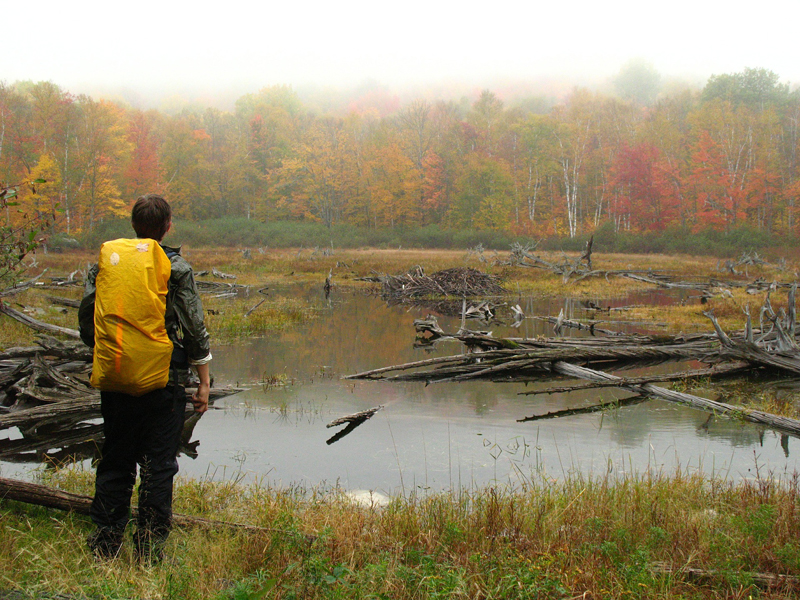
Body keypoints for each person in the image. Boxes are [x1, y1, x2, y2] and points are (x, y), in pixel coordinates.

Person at [78, 194, 212, 561]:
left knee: (117, 457)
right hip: (163, 380)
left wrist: (110, 353)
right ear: (168, 226)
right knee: (158, 464)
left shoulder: (107, 264)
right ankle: (149, 549)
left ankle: (105, 542)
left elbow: (89, 321)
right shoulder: (177, 267)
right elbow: (195, 329)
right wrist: (203, 381)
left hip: (117, 375)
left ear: (133, 225)